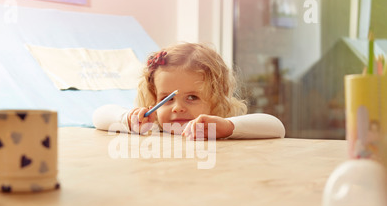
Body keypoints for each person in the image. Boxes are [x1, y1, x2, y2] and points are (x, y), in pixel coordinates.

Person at [93, 42, 285, 140]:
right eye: (166, 99)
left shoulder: (218, 130)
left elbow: (276, 127)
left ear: (216, 99)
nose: (177, 108)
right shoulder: (153, 128)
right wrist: (127, 118)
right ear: (153, 97)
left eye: (192, 97)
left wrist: (227, 127)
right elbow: (99, 116)